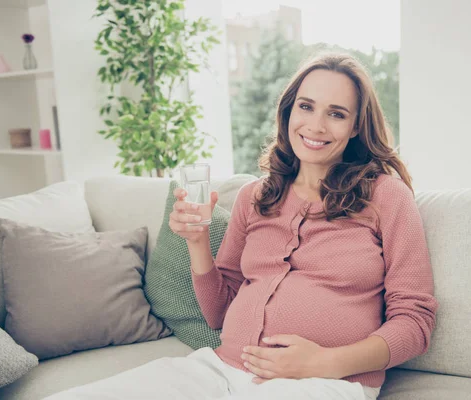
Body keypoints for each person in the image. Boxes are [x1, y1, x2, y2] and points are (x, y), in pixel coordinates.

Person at [45, 52, 438, 400]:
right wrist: (198, 243)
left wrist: (327, 362)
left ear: (355, 127)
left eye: (336, 113)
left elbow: (415, 321)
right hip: (219, 370)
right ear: (288, 113)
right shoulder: (256, 196)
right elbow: (219, 314)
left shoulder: (386, 196)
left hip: (329, 383)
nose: (316, 125)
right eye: (306, 106)